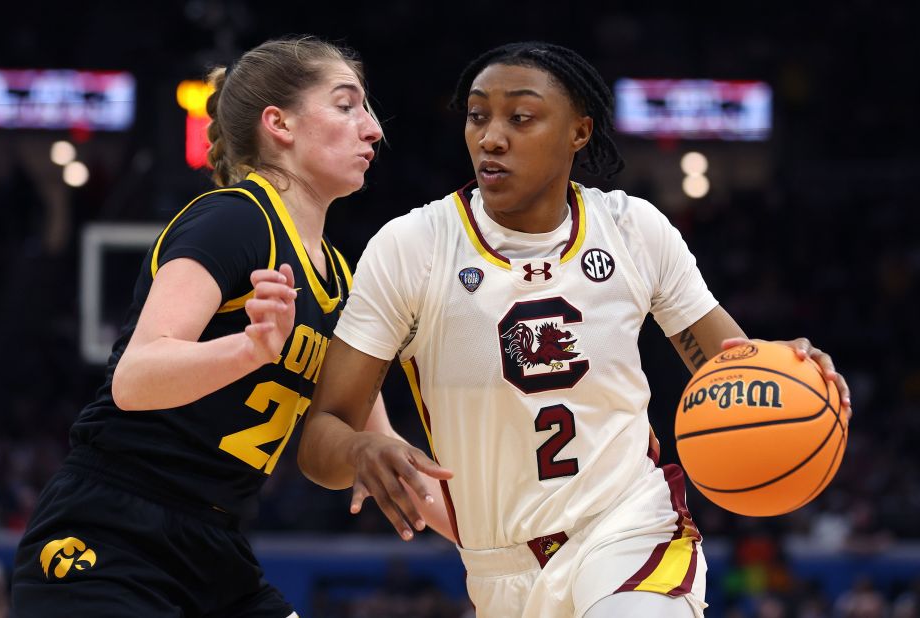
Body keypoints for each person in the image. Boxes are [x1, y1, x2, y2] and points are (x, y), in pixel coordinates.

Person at [298, 41, 852, 618]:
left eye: (521, 117)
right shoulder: (412, 247)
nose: (491, 136)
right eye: (478, 114)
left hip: (631, 532)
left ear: (578, 133)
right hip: (498, 567)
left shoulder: (632, 230)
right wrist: (359, 449)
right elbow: (321, 438)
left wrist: (780, 368)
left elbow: (729, 368)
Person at [11, 35, 401, 617]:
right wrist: (249, 350)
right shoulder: (234, 219)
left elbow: (368, 444)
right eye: (347, 105)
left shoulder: (342, 278)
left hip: (216, 551)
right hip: (113, 537)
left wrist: (511, 528)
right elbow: (135, 378)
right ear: (280, 124)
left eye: (367, 110)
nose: (373, 129)